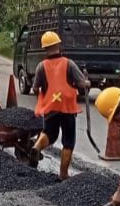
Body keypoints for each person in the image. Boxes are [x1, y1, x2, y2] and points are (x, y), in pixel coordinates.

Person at [30, 31, 90, 181]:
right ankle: (63, 174)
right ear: (58, 45)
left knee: (49, 133)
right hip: (67, 107)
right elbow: (82, 83)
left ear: (45, 48)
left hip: (51, 107)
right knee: (68, 141)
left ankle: (36, 148)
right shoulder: (69, 63)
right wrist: (87, 83)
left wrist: (43, 98)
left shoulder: (41, 66)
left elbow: (35, 88)